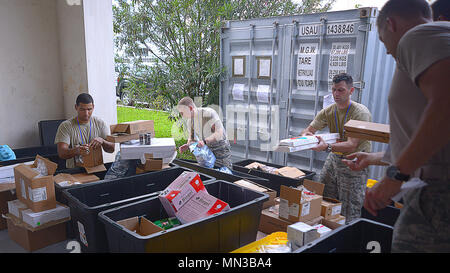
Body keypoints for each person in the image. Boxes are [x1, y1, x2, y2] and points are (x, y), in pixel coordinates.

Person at [343, 0, 450, 252]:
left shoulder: (418, 35)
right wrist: (376, 157)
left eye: (383, 42)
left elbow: (446, 105)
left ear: (390, 24)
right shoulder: (438, 39)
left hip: (435, 193)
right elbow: (433, 140)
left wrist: (395, 177)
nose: (389, 52)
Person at [300, 73, 372, 223]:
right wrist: (308, 138)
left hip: (355, 160)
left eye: (341, 90)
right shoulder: (329, 111)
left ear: (351, 91)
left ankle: (348, 237)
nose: (336, 94)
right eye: (333, 90)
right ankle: (327, 231)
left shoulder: (360, 113)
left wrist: (326, 147)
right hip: (334, 157)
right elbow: (308, 130)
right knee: (325, 196)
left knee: (349, 206)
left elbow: (352, 144)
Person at [55, 93, 115, 169]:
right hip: (75, 171)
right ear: (76, 107)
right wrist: (77, 151)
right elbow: (62, 153)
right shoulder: (66, 126)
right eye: (82, 109)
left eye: (89, 109)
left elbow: (111, 149)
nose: (86, 114)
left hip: (96, 168)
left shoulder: (100, 123)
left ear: (93, 107)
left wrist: (103, 141)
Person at [177, 97, 232, 170]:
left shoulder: (208, 113)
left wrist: (204, 141)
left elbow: (219, 133)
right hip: (207, 153)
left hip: (221, 152)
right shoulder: (190, 121)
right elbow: (191, 138)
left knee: (225, 175)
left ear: (190, 108)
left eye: (182, 113)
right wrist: (188, 145)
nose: (181, 116)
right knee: (209, 174)